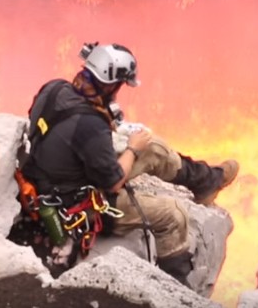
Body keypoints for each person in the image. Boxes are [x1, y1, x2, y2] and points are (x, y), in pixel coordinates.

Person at [20, 42, 239, 286]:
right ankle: (175, 289)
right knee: (173, 214)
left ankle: (207, 181)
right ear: (111, 83)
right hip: (78, 205)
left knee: (153, 148)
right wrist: (133, 148)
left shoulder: (56, 88)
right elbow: (113, 183)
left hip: (54, 178)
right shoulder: (91, 125)